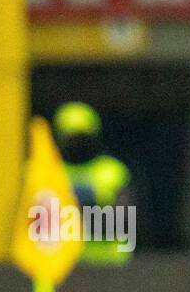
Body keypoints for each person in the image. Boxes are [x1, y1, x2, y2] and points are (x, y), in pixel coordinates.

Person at [52, 102, 137, 264]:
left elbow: (122, 222)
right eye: (70, 137)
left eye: (82, 137)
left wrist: (66, 211)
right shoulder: (44, 172)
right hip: (59, 267)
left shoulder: (112, 171)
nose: (76, 144)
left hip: (109, 265)